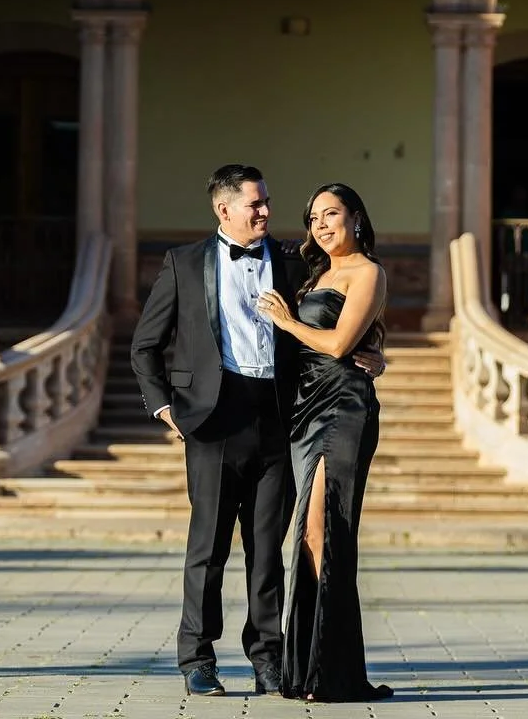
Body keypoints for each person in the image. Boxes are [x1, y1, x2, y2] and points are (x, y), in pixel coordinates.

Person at [130, 164, 383, 699]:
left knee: (268, 549)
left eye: (267, 202)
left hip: (281, 418)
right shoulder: (183, 262)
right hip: (213, 421)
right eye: (256, 204)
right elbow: (144, 346)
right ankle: (198, 659)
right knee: (209, 547)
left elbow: (340, 321)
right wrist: (165, 410)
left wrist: (374, 354)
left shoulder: (295, 261)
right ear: (225, 210)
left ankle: (268, 658)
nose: (267, 211)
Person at [256, 182, 394, 702]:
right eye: (314, 217)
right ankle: (314, 671)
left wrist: (287, 321)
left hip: (344, 408)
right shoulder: (315, 273)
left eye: (332, 214)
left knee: (324, 528)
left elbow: (339, 344)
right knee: (310, 534)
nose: (321, 225)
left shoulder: (368, 272)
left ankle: (328, 672)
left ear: (356, 217)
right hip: (303, 409)